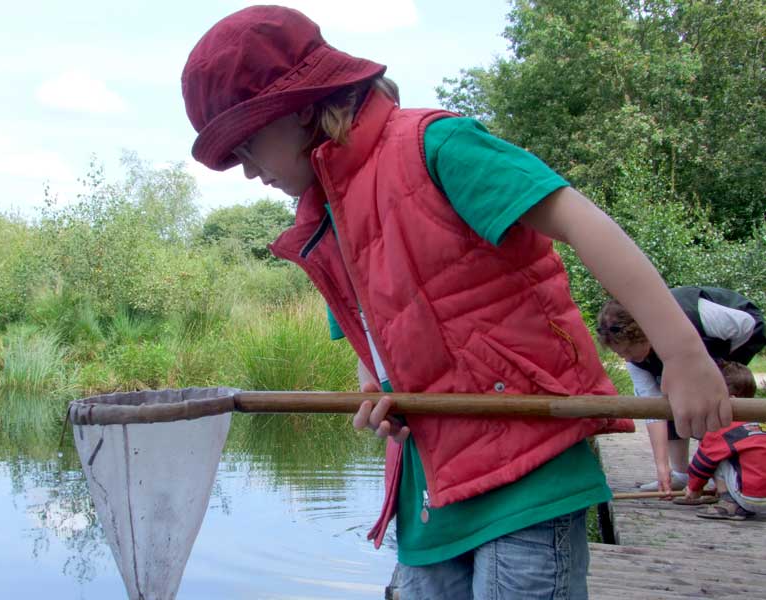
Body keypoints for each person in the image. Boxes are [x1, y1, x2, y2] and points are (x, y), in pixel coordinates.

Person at [181, 6, 731, 597]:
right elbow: (375, 341)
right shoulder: (324, 218)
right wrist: (380, 390)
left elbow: (585, 222)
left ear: (303, 107)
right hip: (431, 495)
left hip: (530, 471)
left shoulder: (435, 145)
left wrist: (684, 355)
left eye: (247, 144)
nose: (246, 171)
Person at [597, 287, 765, 494]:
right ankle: (680, 474)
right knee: (672, 397)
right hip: (684, 352)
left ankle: (728, 472)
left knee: (712, 400)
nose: (627, 359)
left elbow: (746, 325)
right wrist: (661, 468)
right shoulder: (635, 362)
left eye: (628, 351)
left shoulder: (693, 316)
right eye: (619, 354)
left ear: (645, 336)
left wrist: (719, 366)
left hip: (740, 335)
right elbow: (653, 410)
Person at [681, 361, 765, 520]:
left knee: (716, 456)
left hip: (752, 497)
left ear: (729, 399)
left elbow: (701, 464)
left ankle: (729, 503)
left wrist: (694, 489)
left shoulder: (721, 429)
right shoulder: (760, 422)